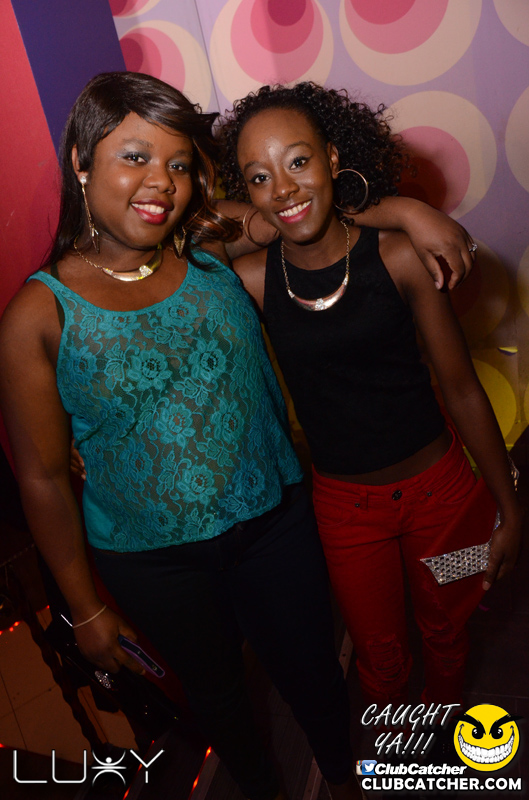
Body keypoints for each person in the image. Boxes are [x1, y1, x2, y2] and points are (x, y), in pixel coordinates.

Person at [0, 71, 480, 800]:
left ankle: (346, 778)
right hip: (153, 562)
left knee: (316, 673)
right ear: (82, 161)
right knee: (220, 699)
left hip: (276, 523)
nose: (161, 182)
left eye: (179, 163)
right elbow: (40, 477)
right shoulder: (39, 316)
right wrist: (85, 607)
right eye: (135, 156)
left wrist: (408, 211)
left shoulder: (201, 244)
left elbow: (296, 210)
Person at [218, 82, 522, 712]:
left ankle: (445, 748)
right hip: (346, 512)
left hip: (443, 496)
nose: (283, 188)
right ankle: (397, 756)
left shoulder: (401, 258)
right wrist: (396, 207)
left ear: (333, 157)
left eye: (299, 161)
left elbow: (462, 390)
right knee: (379, 661)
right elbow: (184, 241)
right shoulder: (250, 281)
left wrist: (510, 506)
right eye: (259, 177)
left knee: (448, 634)